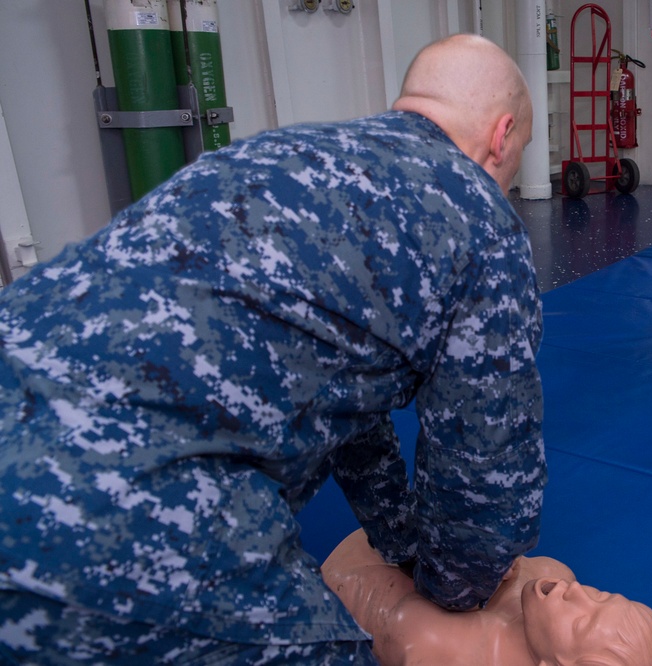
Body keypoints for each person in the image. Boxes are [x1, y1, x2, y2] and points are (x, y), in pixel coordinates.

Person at [0, 34, 544, 663]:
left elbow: (344, 390)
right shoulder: (478, 216)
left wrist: (401, 540)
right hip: (100, 508)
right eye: (513, 164)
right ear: (501, 137)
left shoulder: (279, 153)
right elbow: (487, 466)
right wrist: (455, 589)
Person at [321, 529, 652, 666]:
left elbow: (409, 623)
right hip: (384, 537)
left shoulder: (447, 649)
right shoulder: (555, 574)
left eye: (580, 622)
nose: (577, 592)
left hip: (351, 579)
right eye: (601, 596)